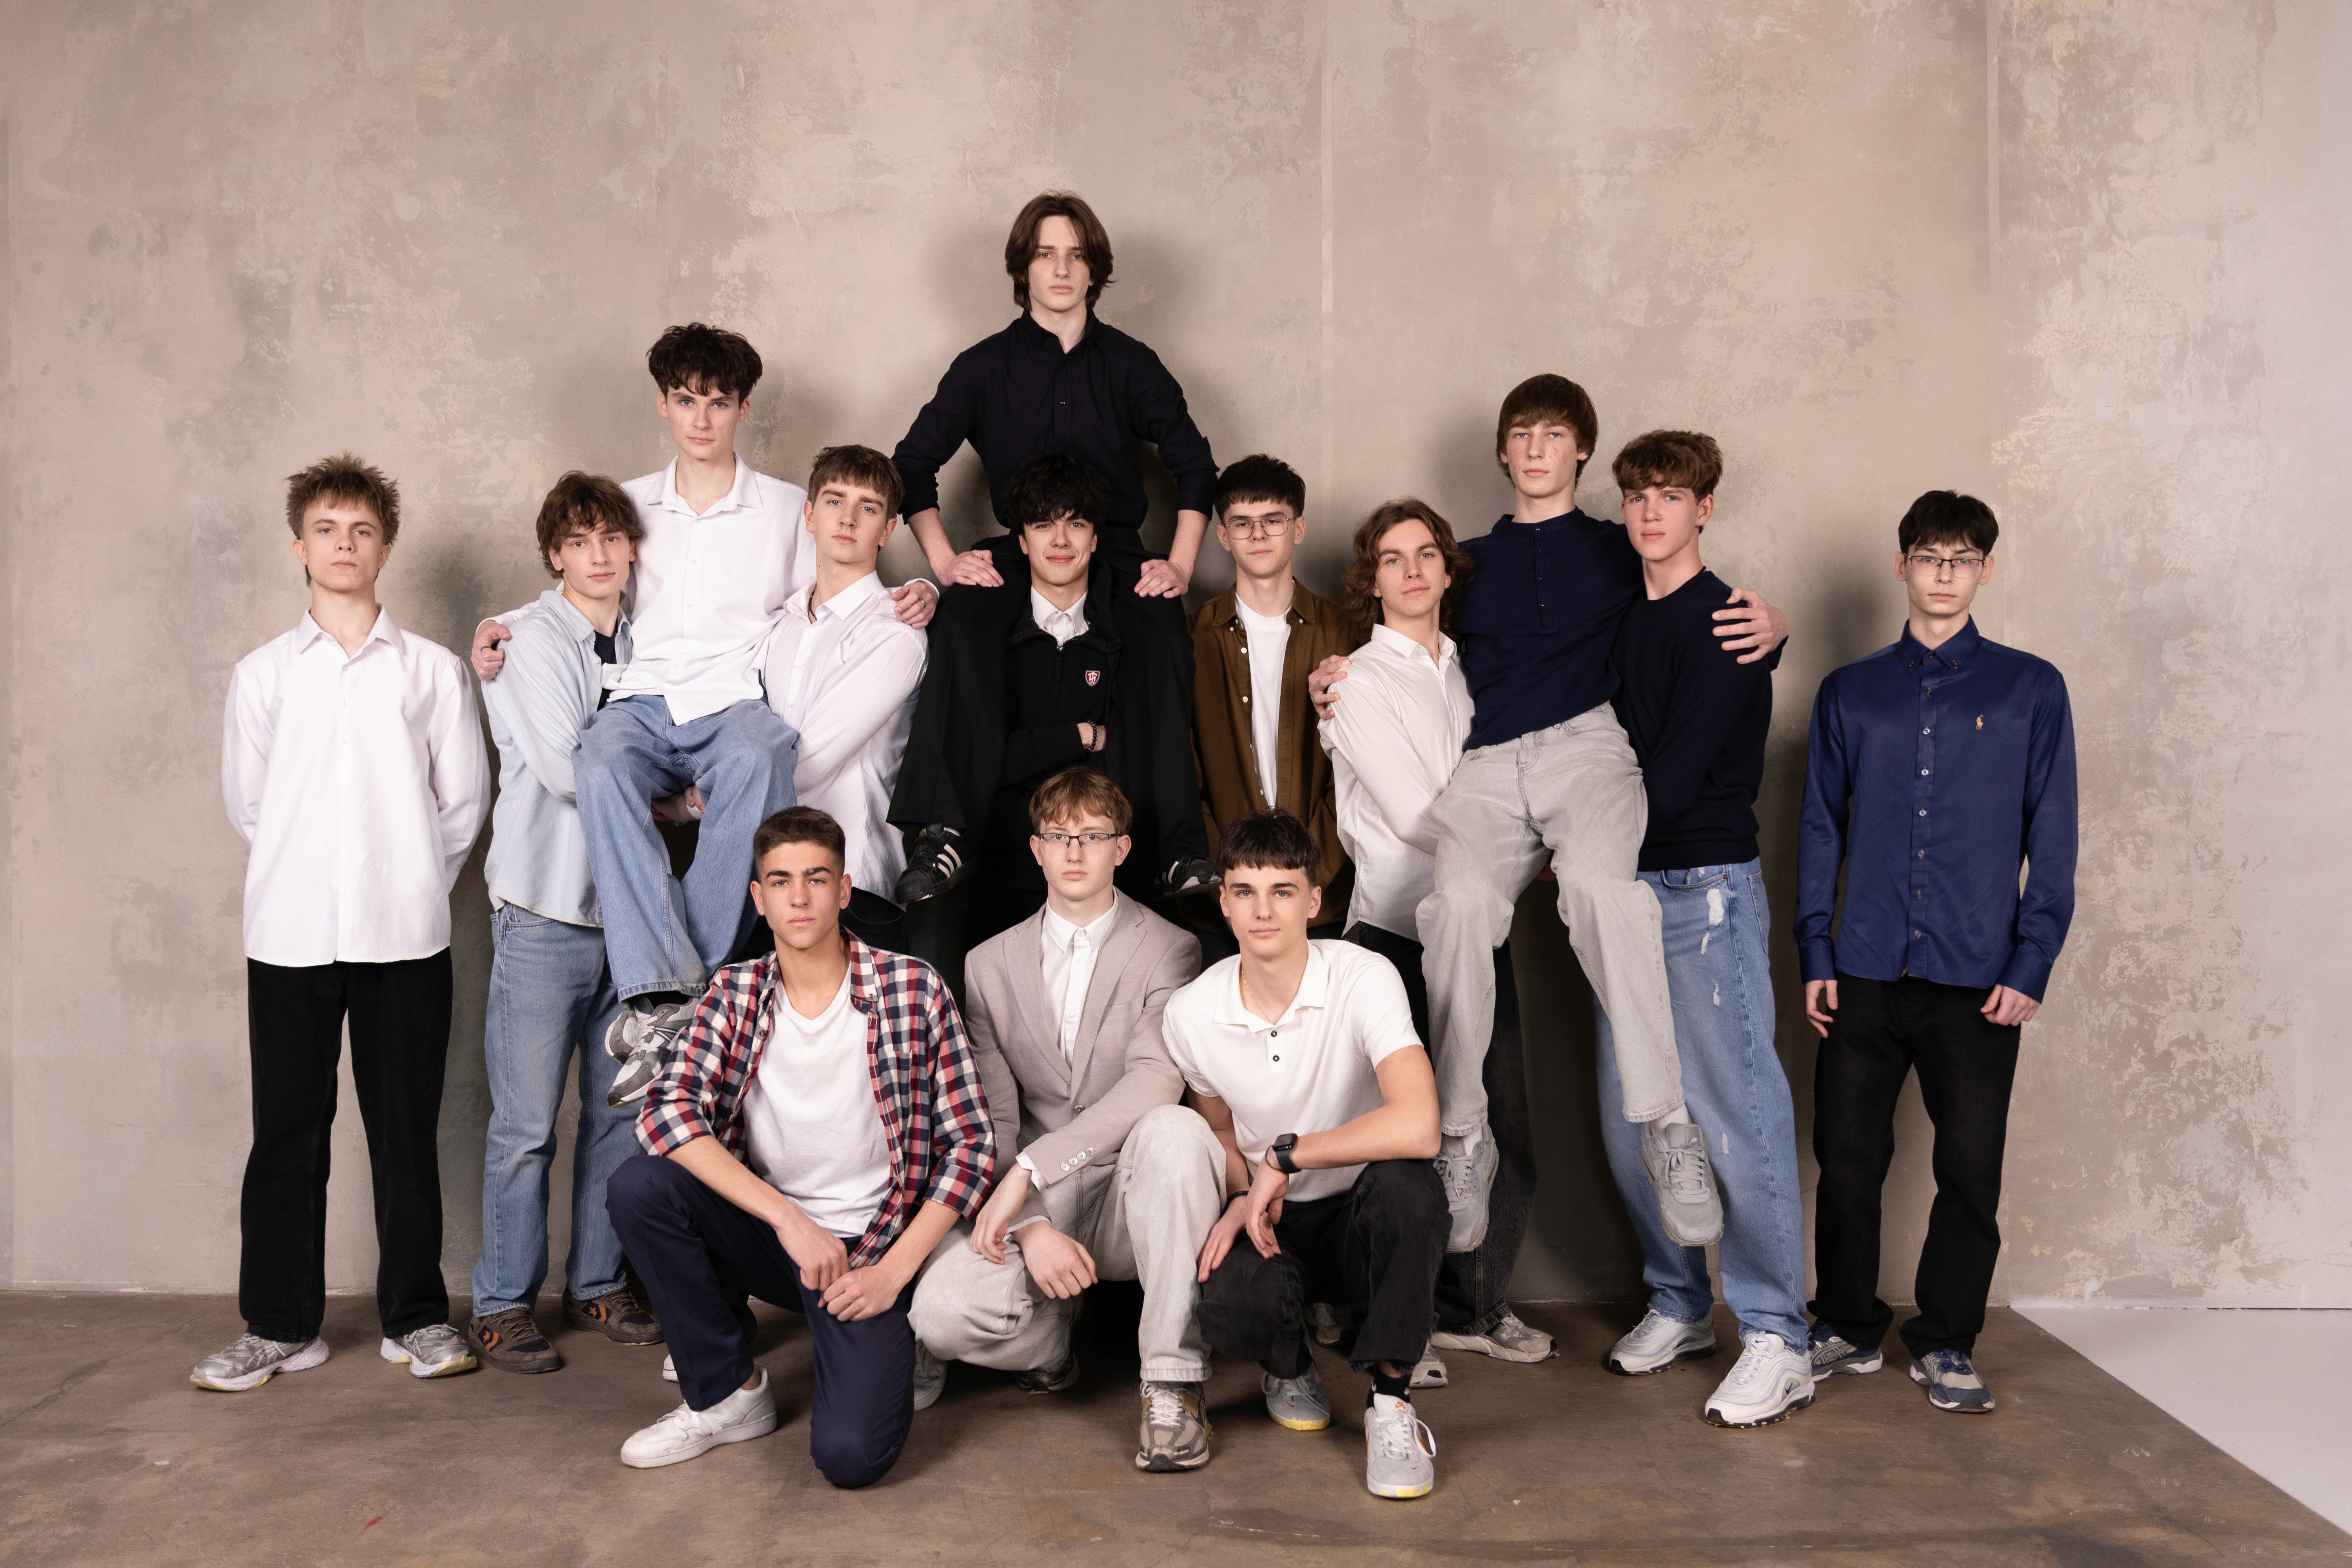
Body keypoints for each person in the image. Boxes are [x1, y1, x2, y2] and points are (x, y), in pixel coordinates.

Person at [1311, 375, 1787, 1255]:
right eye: (1521, 433)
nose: (1536, 447)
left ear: (1582, 450)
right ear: (1503, 452)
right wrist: (1331, 676)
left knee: (1605, 894)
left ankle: (1667, 1123)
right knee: (1455, 907)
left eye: (1555, 433)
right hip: (1489, 764)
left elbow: (1688, 598)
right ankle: (1463, 1134)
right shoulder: (1467, 565)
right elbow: (1404, 620)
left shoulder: (1619, 547)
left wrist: (1770, 627)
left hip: (1588, 748)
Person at [468, 324, 936, 1103]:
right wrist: (505, 623)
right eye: (686, 401)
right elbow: (580, 582)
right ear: (664, 404)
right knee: (597, 762)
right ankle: (671, 989)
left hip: (734, 698)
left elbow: (841, 579)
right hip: (643, 696)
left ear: (743, 409)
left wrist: (923, 590)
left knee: (765, 755)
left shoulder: (787, 509)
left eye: (719, 403)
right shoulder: (630, 504)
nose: (702, 419)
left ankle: (686, 991)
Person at [195, 454, 490, 1392]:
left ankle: (416, 1318)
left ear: (385, 547)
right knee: (287, 1131)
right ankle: (280, 1325)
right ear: (300, 547)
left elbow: (462, 805)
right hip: (289, 934)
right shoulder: (262, 675)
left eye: (362, 530)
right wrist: (310, 877)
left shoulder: (432, 671)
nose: (345, 544)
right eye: (326, 529)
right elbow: (251, 805)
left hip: (406, 934)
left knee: (406, 1131)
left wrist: (408, 880)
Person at [604, 806, 995, 1483]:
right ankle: (726, 1393)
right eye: (782, 882)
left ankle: (905, 1337)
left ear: (844, 891)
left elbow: (972, 1149)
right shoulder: (736, 992)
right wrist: (788, 1220)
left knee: (852, 1458)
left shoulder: (913, 988)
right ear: (760, 898)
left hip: (872, 1251)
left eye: (817, 879)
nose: (800, 897)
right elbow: (666, 1115)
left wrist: (893, 1274)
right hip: (773, 1240)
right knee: (641, 1187)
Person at [1798, 490, 2077, 1416]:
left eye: (1962, 558)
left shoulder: (2031, 689)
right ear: (1902, 566)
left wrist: (2031, 961)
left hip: (1979, 976)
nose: (1944, 572)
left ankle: (1948, 1340)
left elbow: (2054, 832)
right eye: (1928, 556)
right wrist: (1815, 949)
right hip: (1865, 967)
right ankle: (1844, 1322)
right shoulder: (1849, 692)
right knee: (1846, 1161)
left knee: (1968, 1170)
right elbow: (1819, 828)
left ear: (1985, 570)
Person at [890, 191, 1217, 898]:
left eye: (1076, 255)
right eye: (1046, 255)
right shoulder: (983, 367)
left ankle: (1178, 849)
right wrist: (945, 563)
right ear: (1024, 269)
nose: (1061, 270)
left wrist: (1181, 564)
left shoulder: (1131, 364)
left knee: (1163, 635)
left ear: (1095, 270)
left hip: (1114, 549)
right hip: (1025, 546)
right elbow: (911, 465)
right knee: (961, 622)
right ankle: (945, 834)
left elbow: (1196, 466)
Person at [908, 768, 1223, 1473]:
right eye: (1059, 836)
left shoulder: (1171, 948)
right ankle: (1051, 1341)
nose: (1075, 851)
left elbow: (1156, 1080)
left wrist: (1033, 1168)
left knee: (1178, 1132)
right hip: (1039, 1199)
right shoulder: (988, 964)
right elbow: (993, 1118)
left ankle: (1172, 1381)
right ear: (1036, 850)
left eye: (1093, 836)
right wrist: (1030, 1223)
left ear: (1122, 848)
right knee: (939, 1316)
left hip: (1131, 1192)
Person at [1589, 432, 1811, 1427]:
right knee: (1633, 1114)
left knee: (1736, 1112)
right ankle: (1679, 1302)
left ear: (1704, 508)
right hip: (1623, 893)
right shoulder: (1617, 614)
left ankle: (1778, 1334)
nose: (1651, 512)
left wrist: (1575, 837)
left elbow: (1672, 781)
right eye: (1638, 495)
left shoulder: (1729, 622)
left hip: (1701, 888)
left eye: (1672, 496)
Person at [1321, 500, 1552, 1377]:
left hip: (1477, 922)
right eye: (1392, 557)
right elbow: (1420, 815)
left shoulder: (1472, 671)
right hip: (1393, 932)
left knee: (1498, 1122)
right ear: (1371, 579)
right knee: (1404, 1139)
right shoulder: (1355, 681)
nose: (1412, 570)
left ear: (1449, 571)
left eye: (1426, 554)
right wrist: (1528, 848)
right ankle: (1397, 1322)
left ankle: (1476, 1307)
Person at [1167, 810, 1449, 1502]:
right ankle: (1289, 1367)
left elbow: (1420, 1125)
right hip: (1275, 1219)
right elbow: (1221, 1132)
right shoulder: (1191, 1013)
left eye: (1283, 891)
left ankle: (1391, 1402)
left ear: (1315, 901)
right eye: (1245, 892)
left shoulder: (1363, 976)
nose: (1263, 911)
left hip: (1359, 1214)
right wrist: (1243, 1196)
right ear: (1224, 902)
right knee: (1227, 1294)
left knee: (1412, 1190)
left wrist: (1287, 1157)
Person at [466, 473, 664, 1373]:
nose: (598, 555)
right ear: (556, 554)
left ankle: (598, 1282)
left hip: (631, 916)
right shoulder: (525, 637)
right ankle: (503, 1302)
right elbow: (563, 768)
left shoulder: (655, 632)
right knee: (526, 1126)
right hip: (544, 912)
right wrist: (673, 785)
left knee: (619, 1117)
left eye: (612, 537)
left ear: (632, 546)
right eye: (579, 541)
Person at [889, 453, 1214, 942]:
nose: (1061, 541)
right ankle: (943, 838)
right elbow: (982, 759)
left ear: (1096, 539)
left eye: (1076, 525)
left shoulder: (1125, 639)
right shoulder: (989, 638)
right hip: (1000, 863)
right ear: (1022, 541)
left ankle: (1178, 852)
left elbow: (1127, 760)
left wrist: (1030, 749)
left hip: (1105, 868)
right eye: (1044, 525)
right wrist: (1082, 735)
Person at [759, 445, 929, 956]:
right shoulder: (779, 624)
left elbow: (808, 760)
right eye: (834, 501)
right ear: (810, 515)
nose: (848, 518)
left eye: (868, 507)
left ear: (888, 530)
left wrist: (699, 801)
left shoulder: (895, 631)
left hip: (855, 884)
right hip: (773, 882)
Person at [1188, 454, 1354, 956]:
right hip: (1218, 909)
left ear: (1298, 528)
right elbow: (1181, 774)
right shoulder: (1188, 639)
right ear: (1223, 536)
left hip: (1323, 903)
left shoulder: (1347, 632)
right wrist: (1232, 881)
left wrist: (1305, 877)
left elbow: (1359, 773)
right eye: (1242, 523)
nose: (1258, 534)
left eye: (1273, 520)